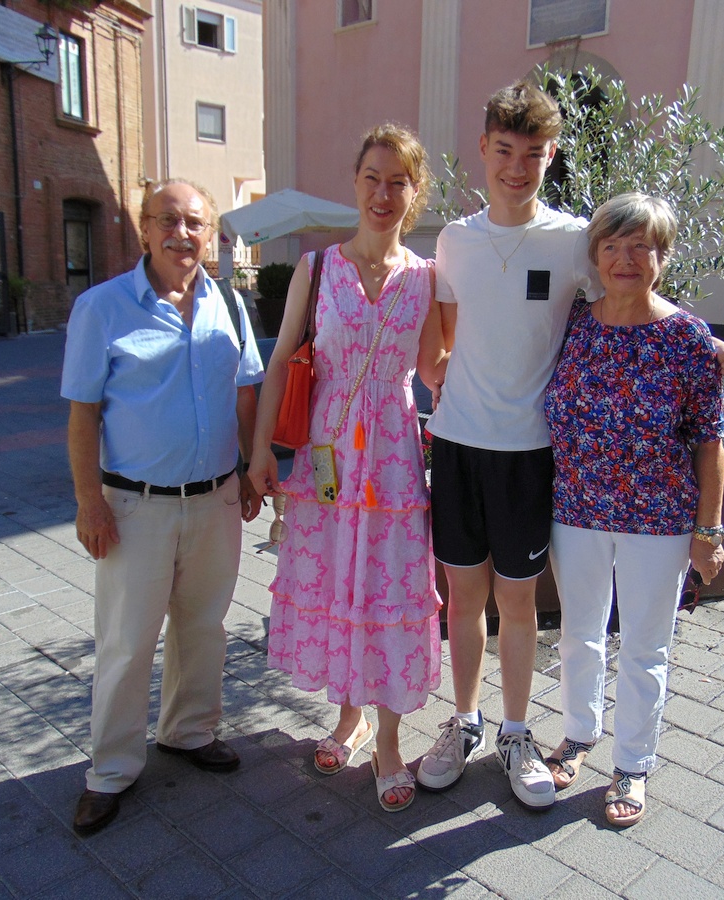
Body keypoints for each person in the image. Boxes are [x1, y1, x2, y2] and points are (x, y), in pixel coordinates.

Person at [417, 80, 724, 810]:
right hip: (461, 447)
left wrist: (706, 343)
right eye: (504, 150)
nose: (516, 166)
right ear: (483, 150)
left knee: (521, 602)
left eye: (532, 153)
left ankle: (515, 733)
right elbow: (437, 346)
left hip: (534, 457)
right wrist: (442, 390)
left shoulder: (574, 240)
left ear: (551, 156)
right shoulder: (453, 239)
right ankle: (465, 721)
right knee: (464, 599)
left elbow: (636, 292)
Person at [246, 124, 445, 813]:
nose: (383, 192)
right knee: (338, 580)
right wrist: (259, 456)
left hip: (390, 462)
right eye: (372, 177)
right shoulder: (316, 269)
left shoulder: (427, 279)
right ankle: (348, 716)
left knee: (387, 591)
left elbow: (436, 371)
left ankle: (388, 739)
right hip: (326, 458)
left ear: (415, 194)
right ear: (354, 182)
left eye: (398, 180)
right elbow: (280, 362)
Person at [61, 178, 264, 834]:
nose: (183, 233)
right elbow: (84, 414)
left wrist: (250, 470)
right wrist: (88, 501)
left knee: (204, 626)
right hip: (134, 507)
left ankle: (189, 731)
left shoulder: (230, 306)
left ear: (211, 235)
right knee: (126, 643)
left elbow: (246, 394)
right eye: (168, 220)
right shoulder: (102, 308)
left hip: (215, 499)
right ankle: (111, 770)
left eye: (196, 223)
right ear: (143, 229)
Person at [543, 192, 724, 827]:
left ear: (662, 257)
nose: (625, 258)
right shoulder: (572, 321)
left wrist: (709, 529)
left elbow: (710, 439)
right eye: (613, 245)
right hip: (576, 510)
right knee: (578, 635)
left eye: (640, 245)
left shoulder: (687, 338)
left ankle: (633, 765)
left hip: (659, 519)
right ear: (595, 254)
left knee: (646, 646)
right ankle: (578, 733)